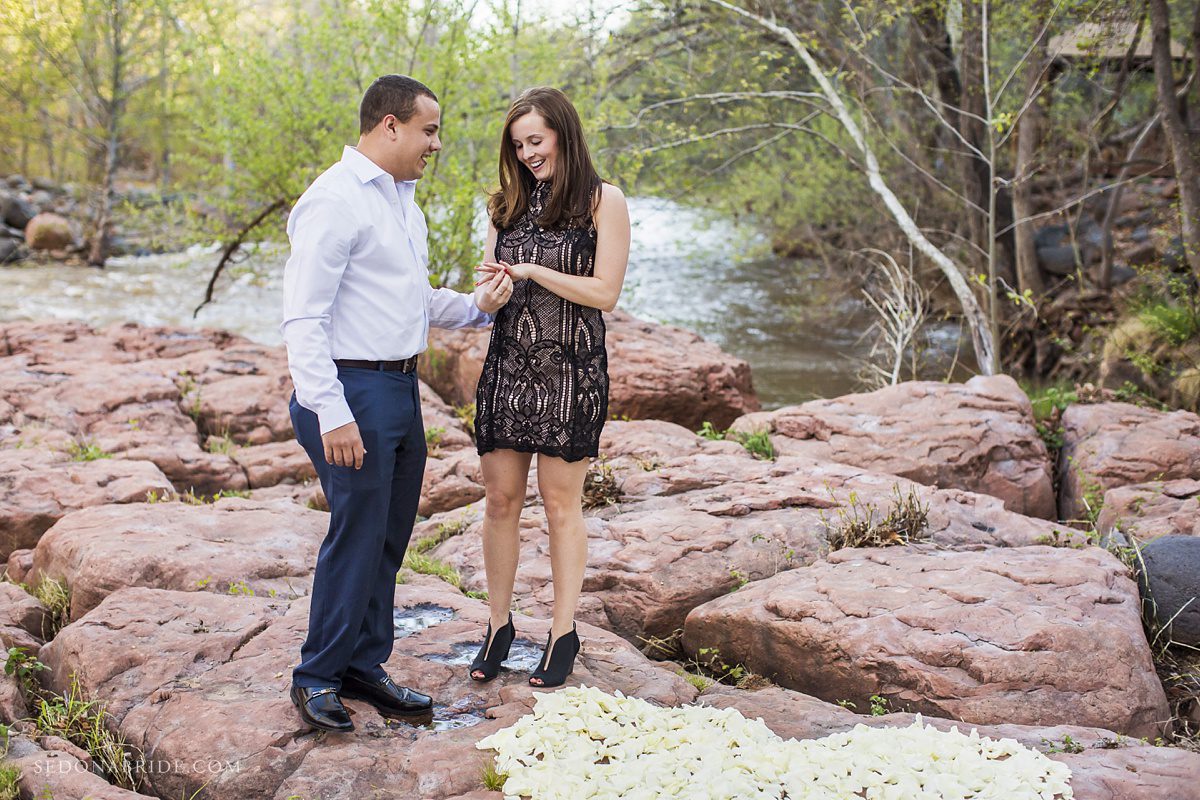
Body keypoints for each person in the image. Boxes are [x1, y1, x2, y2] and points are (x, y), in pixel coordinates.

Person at [282, 74, 513, 732]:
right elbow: (303, 319)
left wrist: (475, 309)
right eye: (429, 130)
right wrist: (333, 412)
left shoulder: (402, 203)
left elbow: (407, 301)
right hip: (350, 388)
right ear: (390, 125)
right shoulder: (335, 201)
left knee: (388, 537)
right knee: (355, 536)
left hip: (398, 387)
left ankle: (362, 663)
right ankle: (317, 676)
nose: (435, 144)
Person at [468, 86, 631, 688]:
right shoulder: (503, 205)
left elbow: (606, 294)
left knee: (561, 504)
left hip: (569, 369)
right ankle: (498, 625)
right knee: (501, 501)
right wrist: (490, 294)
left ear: (563, 132)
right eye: (518, 145)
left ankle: (563, 632)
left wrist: (536, 271)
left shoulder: (602, 201)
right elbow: (487, 292)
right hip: (508, 366)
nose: (528, 153)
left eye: (536, 140)